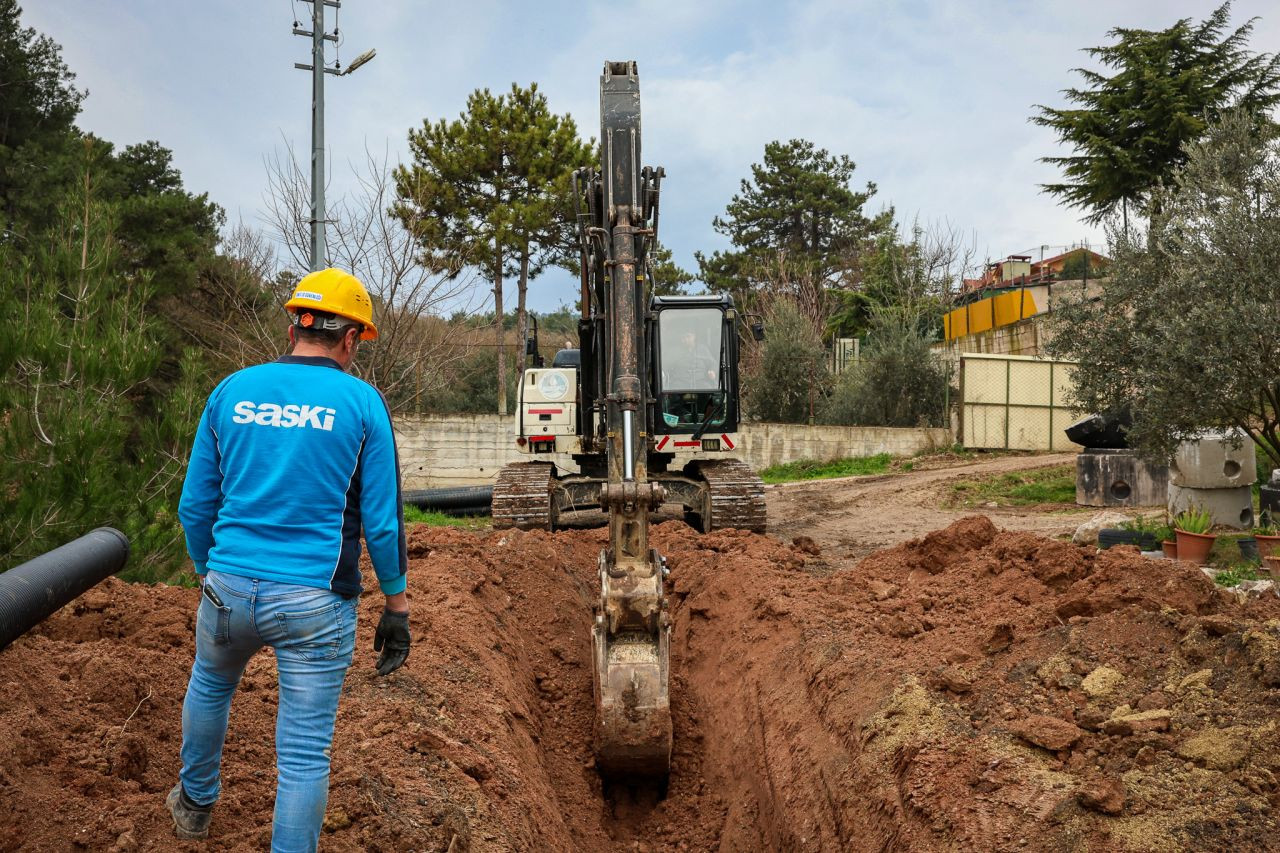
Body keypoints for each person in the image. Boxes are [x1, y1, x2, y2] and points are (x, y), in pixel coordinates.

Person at [168, 267, 411, 852]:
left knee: (209, 683)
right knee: (303, 753)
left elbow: (195, 504)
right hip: (314, 600)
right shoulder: (362, 402)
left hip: (228, 586)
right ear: (351, 338)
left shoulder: (231, 390)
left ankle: (195, 804)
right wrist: (396, 604)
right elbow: (382, 521)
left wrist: (209, 570)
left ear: (294, 325)